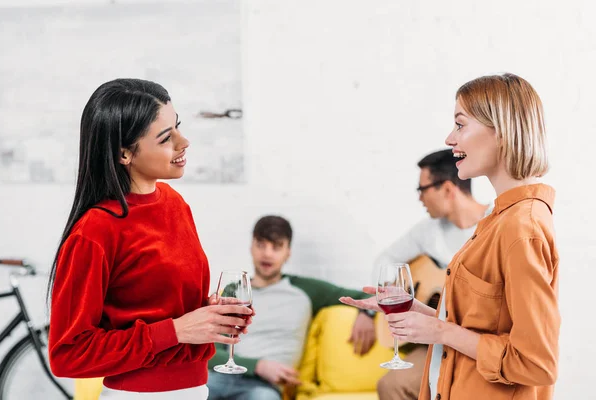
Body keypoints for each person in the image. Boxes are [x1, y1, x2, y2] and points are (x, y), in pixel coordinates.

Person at [341, 73, 559, 400]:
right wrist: (424, 313)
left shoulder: (521, 228)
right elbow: (483, 329)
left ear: (501, 130)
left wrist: (441, 330)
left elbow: (535, 363)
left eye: (460, 124)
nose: (449, 138)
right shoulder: (496, 220)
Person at [47, 78, 252, 400]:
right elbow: (68, 354)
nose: (184, 142)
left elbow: (163, 309)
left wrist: (210, 315)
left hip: (196, 390)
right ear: (124, 153)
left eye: (178, 127)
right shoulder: (96, 230)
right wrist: (177, 331)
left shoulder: (174, 203)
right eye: (166, 138)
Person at [207, 215, 378, 400]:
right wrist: (258, 365)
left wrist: (366, 314)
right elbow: (211, 353)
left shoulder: (305, 290)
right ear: (251, 247)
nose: (267, 254)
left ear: (288, 252)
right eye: (261, 245)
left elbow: (367, 297)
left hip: (264, 388)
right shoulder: (233, 290)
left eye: (277, 246)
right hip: (219, 378)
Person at [372, 149, 491, 400]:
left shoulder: (495, 225)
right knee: (391, 384)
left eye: (422, 189)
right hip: (434, 343)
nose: (419, 199)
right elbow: (386, 260)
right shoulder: (429, 231)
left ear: (447, 189)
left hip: (477, 342)